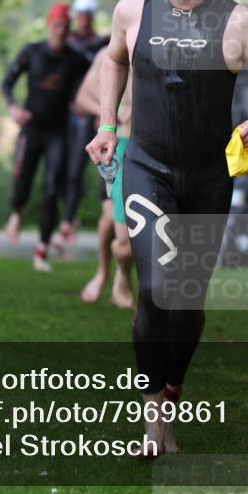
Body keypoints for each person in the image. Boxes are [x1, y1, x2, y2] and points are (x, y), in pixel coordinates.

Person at [85, 0, 248, 456]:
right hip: (146, 168)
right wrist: (107, 126)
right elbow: (113, 61)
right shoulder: (133, 10)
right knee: (156, 288)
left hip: (207, 179)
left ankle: (173, 389)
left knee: (188, 300)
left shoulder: (239, 23)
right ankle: (154, 420)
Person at [2, 2, 90, 272]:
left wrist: (84, 102)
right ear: (50, 26)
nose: (61, 31)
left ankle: (42, 250)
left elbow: (98, 75)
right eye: (57, 26)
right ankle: (17, 211)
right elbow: (7, 83)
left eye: (65, 27)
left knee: (52, 190)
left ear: (69, 29)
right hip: (31, 129)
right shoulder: (32, 52)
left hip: (58, 134)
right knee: (23, 183)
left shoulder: (75, 59)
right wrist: (13, 107)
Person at [73, 46, 135, 308]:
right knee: (111, 221)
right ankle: (104, 272)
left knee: (122, 227)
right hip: (116, 147)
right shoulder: (107, 54)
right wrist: (112, 112)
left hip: (148, 146)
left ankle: (121, 275)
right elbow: (82, 98)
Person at [52, 0, 112, 250]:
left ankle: (69, 222)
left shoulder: (102, 44)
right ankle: (69, 217)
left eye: (88, 16)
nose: (84, 20)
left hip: (90, 115)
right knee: (62, 169)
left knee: (79, 169)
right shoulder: (69, 44)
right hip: (68, 114)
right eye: (80, 16)